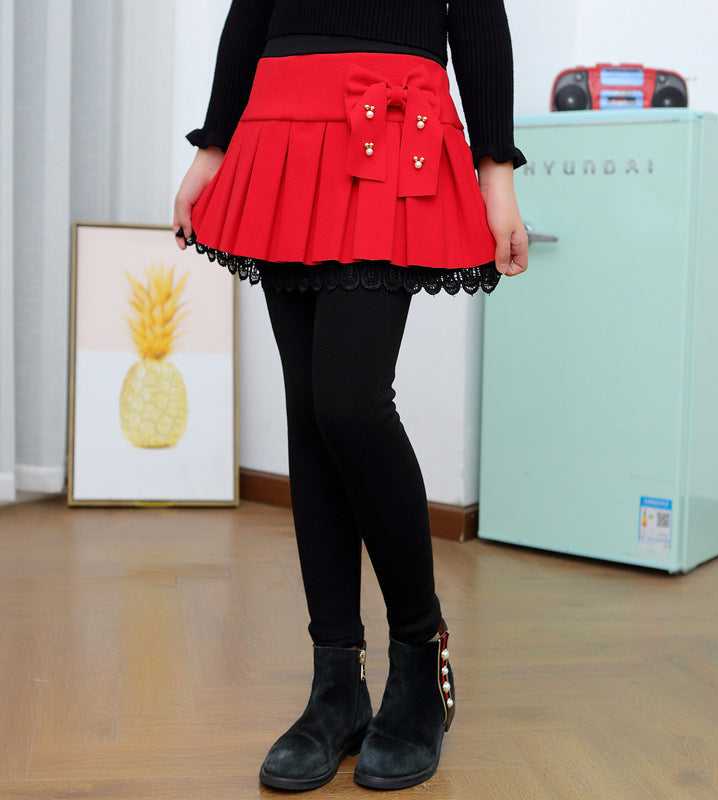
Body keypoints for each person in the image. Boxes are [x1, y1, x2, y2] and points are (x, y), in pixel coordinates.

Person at [173, 0, 527, 791]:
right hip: (280, 122)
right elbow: (251, 9)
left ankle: (419, 661)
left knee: (349, 401)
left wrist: (496, 171)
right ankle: (336, 686)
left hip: (387, 119)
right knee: (311, 414)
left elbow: (477, 16)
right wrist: (214, 145)